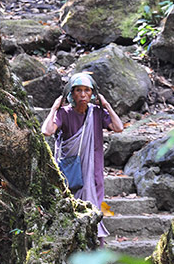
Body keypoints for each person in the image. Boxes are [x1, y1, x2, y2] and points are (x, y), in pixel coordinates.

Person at [41, 72, 124, 243]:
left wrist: (106, 104)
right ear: (71, 94)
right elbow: (47, 131)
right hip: (70, 172)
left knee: (94, 208)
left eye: (87, 90)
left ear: (93, 94)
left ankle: (96, 246)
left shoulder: (97, 113)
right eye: (78, 90)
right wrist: (53, 109)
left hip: (94, 171)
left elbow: (118, 127)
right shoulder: (64, 113)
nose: (83, 94)